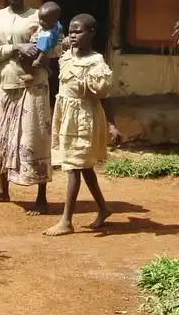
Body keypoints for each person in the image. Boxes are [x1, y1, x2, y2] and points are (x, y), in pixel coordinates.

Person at [0, 0, 58, 214]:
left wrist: (41, 54)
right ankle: (2, 189)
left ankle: (41, 196)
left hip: (34, 85)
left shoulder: (39, 16)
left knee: (36, 138)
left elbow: (55, 46)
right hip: (8, 83)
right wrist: (17, 48)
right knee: (4, 137)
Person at [44, 13, 121, 236]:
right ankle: (104, 208)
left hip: (84, 118)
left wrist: (112, 124)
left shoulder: (96, 63)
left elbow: (105, 96)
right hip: (66, 115)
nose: (73, 35)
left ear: (92, 33)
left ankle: (66, 221)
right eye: (71, 31)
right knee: (84, 167)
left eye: (78, 31)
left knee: (74, 168)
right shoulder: (67, 55)